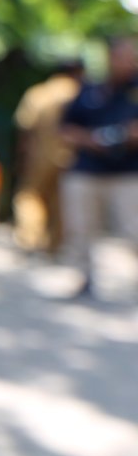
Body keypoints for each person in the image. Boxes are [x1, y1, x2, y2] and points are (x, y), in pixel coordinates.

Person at [58, 37, 138, 299]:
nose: (128, 62)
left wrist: (128, 136)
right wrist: (90, 140)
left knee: (134, 230)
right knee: (80, 229)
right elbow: (65, 129)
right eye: (122, 56)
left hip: (127, 172)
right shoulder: (90, 90)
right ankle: (84, 279)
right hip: (86, 171)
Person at [12, 59, 82, 254]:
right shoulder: (79, 92)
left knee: (29, 195)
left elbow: (26, 128)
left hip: (39, 155)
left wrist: (22, 156)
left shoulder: (38, 93)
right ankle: (55, 244)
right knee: (61, 200)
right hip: (70, 156)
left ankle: (29, 238)